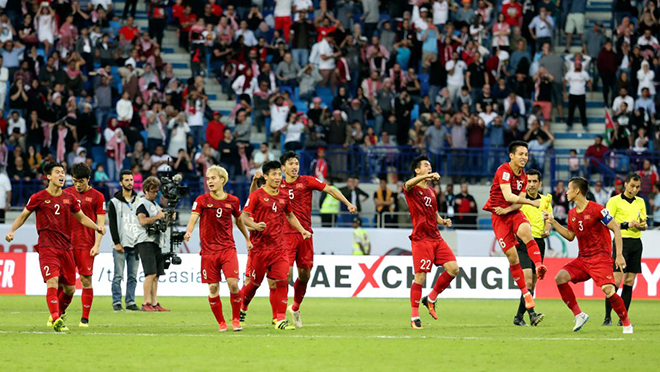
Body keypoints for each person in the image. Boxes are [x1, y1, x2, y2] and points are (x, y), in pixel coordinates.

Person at [4, 162, 104, 332]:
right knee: (52, 281)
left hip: (66, 248)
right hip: (47, 247)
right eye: (57, 172)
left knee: (70, 289)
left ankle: (58, 313)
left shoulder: (69, 198)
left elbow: (81, 217)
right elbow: (23, 216)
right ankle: (56, 318)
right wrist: (12, 230)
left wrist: (97, 227)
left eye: (63, 173)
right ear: (48, 176)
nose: (62, 176)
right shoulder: (38, 197)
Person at [276, 151, 356, 327]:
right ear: (283, 167)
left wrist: (347, 203)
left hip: (305, 234)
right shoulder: (277, 185)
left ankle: (295, 308)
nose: (294, 166)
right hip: (285, 236)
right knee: (285, 273)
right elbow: (259, 197)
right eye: (290, 163)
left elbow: (330, 189)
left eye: (296, 163)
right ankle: (279, 316)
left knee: (304, 275)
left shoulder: (306, 181)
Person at [545, 177, 633, 334]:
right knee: (560, 278)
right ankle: (579, 314)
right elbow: (570, 236)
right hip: (583, 259)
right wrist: (553, 222)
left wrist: (618, 255)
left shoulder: (597, 209)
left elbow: (616, 229)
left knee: (608, 291)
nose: (566, 192)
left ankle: (627, 323)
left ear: (577, 191)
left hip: (601, 258)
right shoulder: (572, 213)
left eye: (569, 188)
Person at [238, 161, 311, 331]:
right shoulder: (256, 196)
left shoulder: (284, 196)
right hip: (259, 248)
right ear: (266, 176)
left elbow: (290, 215)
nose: (278, 177)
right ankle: (242, 308)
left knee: (282, 281)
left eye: (279, 174)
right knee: (253, 284)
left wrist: (302, 230)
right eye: (274, 174)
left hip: (279, 247)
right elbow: (244, 217)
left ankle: (279, 319)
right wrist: (255, 226)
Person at [184, 166, 251, 332]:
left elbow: (239, 221)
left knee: (233, 284)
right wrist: (189, 231)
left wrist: (247, 239)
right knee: (213, 288)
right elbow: (193, 218)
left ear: (222, 180)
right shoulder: (201, 200)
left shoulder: (233, 201)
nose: (210, 182)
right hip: (208, 251)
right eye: (208, 179)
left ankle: (236, 320)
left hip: (227, 248)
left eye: (213, 178)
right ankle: (221, 322)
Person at [482, 141, 547, 311]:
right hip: (498, 217)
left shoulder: (524, 177)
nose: (524, 157)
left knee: (527, 232)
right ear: (512, 156)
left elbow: (515, 202)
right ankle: (526, 294)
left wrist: (508, 210)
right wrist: (532, 203)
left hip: (511, 212)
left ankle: (539, 265)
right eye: (521, 154)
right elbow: (508, 195)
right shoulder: (503, 170)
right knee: (512, 257)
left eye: (526, 154)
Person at [404, 155, 458, 330]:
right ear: (417, 170)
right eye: (425, 165)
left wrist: (442, 221)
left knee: (453, 269)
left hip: (436, 237)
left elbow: (434, 213)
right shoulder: (411, 189)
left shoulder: (432, 192)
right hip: (421, 238)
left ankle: (431, 298)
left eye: (430, 166)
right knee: (420, 277)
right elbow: (407, 184)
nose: (429, 167)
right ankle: (414, 317)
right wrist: (427, 176)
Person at [63, 163, 106, 327]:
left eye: (81, 181)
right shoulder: (66, 193)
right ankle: (58, 313)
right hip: (66, 244)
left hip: (85, 244)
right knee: (63, 282)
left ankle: (84, 319)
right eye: (74, 181)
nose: (77, 185)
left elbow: (101, 224)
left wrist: (97, 245)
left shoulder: (97, 196)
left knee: (85, 281)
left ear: (88, 179)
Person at [603, 173, 647, 326]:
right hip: (621, 242)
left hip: (636, 243)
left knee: (629, 281)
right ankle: (607, 317)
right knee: (615, 281)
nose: (635, 189)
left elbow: (644, 222)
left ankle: (623, 319)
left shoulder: (641, 202)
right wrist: (627, 224)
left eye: (637, 187)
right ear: (625, 184)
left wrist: (643, 225)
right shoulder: (614, 201)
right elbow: (606, 222)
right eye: (632, 186)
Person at [510, 169, 550, 326]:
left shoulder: (546, 200)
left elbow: (548, 219)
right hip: (522, 243)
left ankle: (519, 317)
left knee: (532, 284)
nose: (531, 185)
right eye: (529, 181)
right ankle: (532, 314)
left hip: (539, 243)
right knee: (527, 281)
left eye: (535, 181)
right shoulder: (519, 200)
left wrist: (547, 229)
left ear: (540, 183)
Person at [135, 176, 170, 312]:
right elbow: (142, 221)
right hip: (145, 241)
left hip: (156, 241)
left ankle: (154, 303)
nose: (155, 194)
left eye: (157, 191)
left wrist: (167, 217)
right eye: (153, 191)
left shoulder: (155, 205)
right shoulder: (142, 203)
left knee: (156, 274)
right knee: (150, 273)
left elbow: (162, 224)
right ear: (145, 191)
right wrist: (158, 216)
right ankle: (146, 303)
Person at [108, 170, 140, 312]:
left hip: (136, 244)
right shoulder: (114, 202)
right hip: (120, 245)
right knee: (118, 276)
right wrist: (116, 242)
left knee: (133, 276)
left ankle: (130, 301)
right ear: (121, 183)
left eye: (131, 180)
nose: (129, 183)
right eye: (126, 180)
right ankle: (116, 302)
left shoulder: (139, 201)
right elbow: (112, 224)